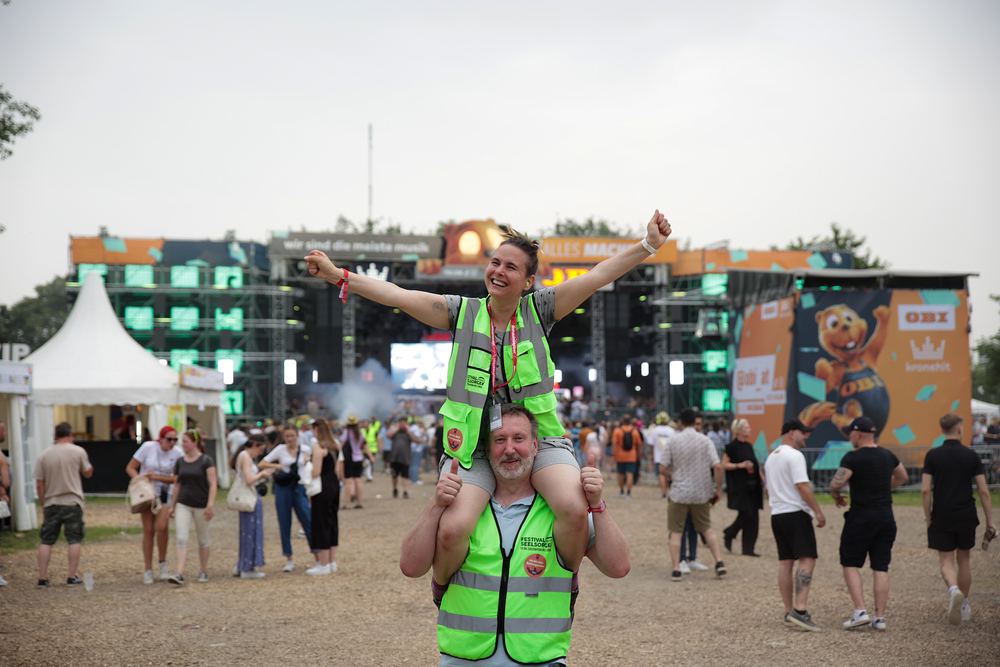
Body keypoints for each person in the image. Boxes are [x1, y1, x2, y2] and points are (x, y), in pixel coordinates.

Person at [306, 211, 671, 585]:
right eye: (495, 262)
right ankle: (442, 588)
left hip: (539, 441)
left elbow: (597, 276)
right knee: (453, 528)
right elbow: (398, 295)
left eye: (511, 267)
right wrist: (339, 275)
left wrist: (648, 245)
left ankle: (564, 582)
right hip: (475, 449)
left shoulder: (541, 309)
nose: (498, 271)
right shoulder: (461, 312)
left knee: (574, 509)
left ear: (528, 282)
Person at [399, 403, 630, 667]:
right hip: (463, 660)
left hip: (539, 661)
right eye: (500, 440)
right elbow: (410, 567)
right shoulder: (461, 508)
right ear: (487, 450)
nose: (509, 449)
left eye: (519, 438)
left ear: (535, 446)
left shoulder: (561, 511)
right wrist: (436, 505)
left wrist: (597, 504)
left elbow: (619, 567)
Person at [829, 416, 908, 630]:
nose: (849, 437)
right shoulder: (888, 455)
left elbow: (836, 483)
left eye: (850, 433)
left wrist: (836, 496)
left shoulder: (852, 457)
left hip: (861, 517)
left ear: (858, 434)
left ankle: (860, 611)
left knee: (850, 562)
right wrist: (883, 487)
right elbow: (902, 477)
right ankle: (879, 617)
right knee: (881, 566)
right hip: (886, 517)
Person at [921, 413, 996, 625]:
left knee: (946, 560)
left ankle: (954, 590)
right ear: (960, 429)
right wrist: (990, 521)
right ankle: (964, 605)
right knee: (964, 559)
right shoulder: (971, 456)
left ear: (942, 430)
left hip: (942, 513)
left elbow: (925, 490)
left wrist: (928, 516)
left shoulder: (932, 456)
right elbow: (983, 491)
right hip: (966, 513)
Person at [765, 419, 827, 631]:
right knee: (807, 559)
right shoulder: (795, 455)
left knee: (785, 563)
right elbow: (802, 486)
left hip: (777, 514)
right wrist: (817, 511)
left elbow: (769, 488)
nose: (806, 436)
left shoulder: (772, 456)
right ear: (792, 433)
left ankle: (788, 611)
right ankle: (800, 611)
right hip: (795, 513)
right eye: (803, 432)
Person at [661, 408, 727, 581]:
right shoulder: (705, 440)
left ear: (681, 422)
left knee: (676, 531)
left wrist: (672, 476)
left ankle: (677, 569)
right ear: (695, 422)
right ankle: (719, 561)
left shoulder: (673, 440)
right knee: (706, 528)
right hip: (701, 492)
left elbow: (662, 467)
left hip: (679, 492)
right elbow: (717, 466)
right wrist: (717, 489)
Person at [33, 421, 93, 588]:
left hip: (52, 502)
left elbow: (39, 483)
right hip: (72, 501)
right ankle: (71, 576)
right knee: (74, 539)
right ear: (71, 434)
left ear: (55, 435)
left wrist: (43, 503)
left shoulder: (44, 455)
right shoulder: (78, 451)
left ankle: (43, 578)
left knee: (46, 540)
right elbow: (88, 472)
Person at [126, 425, 183, 584]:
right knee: (149, 530)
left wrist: (157, 477)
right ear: (161, 439)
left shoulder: (177, 453)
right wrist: (140, 481)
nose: (172, 443)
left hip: (164, 493)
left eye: (175, 439)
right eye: (169, 439)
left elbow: (177, 478)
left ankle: (162, 563)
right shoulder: (148, 447)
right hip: (148, 494)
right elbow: (131, 467)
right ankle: (148, 568)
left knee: (162, 527)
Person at [262, 425, 319, 572]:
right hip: (283, 488)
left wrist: (308, 461)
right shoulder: (280, 449)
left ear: (297, 436)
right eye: (287, 436)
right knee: (284, 522)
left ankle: (317, 556)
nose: (289, 439)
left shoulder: (305, 449)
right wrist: (278, 466)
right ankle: (288, 558)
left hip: (299, 487)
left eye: (292, 436)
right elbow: (263, 463)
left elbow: (314, 462)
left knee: (308, 520)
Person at [166, 430, 217, 585]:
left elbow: (213, 483)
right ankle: (179, 573)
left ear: (195, 443)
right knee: (181, 538)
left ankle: (203, 570)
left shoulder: (206, 460)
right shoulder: (180, 462)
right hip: (184, 503)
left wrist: (210, 504)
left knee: (203, 539)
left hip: (201, 503)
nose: (182, 444)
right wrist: (172, 505)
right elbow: (177, 485)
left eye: (185, 441)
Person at [231, 433, 273, 578]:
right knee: (251, 531)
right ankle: (247, 567)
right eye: (260, 449)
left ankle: (242, 564)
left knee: (247, 530)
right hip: (250, 497)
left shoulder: (243, 456)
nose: (260, 453)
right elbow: (249, 480)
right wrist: (262, 474)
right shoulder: (245, 457)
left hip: (250, 496)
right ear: (254, 445)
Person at [722, 418, 764, 557]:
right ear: (739, 430)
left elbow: (756, 466)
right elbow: (724, 464)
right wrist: (739, 465)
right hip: (740, 486)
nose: (749, 429)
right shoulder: (732, 447)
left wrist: (764, 482)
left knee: (754, 518)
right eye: (746, 427)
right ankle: (730, 532)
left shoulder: (749, 446)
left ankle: (748, 548)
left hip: (753, 486)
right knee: (747, 514)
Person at [307, 419, 342, 575]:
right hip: (333, 484)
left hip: (322, 486)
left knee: (321, 522)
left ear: (316, 429)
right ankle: (332, 561)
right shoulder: (334, 445)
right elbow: (337, 469)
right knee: (332, 521)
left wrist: (307, 463)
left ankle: (324, 563)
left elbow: (316, 472)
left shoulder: (318, 447)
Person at [340, 415, 373, 509]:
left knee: (348, 481)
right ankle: (359, 502)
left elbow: (342, 443)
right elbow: (364, 445)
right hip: (359, 458)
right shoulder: (360, 432)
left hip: (349, 459)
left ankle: (347, 504)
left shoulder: (347, 432)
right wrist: (370, 456)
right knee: (358, 480)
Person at [388, 415, 424, 499]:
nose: (402, 424)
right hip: (394, 457)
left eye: (404, 423)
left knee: (405, 476)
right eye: (401, 422)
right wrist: (397, 428)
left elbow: (417, 440)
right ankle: (395, 489)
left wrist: (408, 430)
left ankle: (405, 491)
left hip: (405, 457)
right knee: (394, 475)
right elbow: (388, 435)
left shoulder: (408, 433)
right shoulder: (395, 431)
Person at [646, 412, 675, 500]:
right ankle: (670, 492)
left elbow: (651, 444)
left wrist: (652, 455)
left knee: (661, 475)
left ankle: (664, 493)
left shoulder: (655, 430)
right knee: (668, 474)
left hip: (658, 456)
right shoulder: (671, 430)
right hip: (669, 456)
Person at [612, 414, 641, 498]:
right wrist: (639, 453)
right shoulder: (635, 431)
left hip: (620, 456)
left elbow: (614, 443)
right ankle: (628, 492)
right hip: (632, 456)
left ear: (622, 421)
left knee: (620, 474)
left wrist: (613, 454)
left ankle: (621, 491)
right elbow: (639, 444)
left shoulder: (617, 431)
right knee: (630, 474)